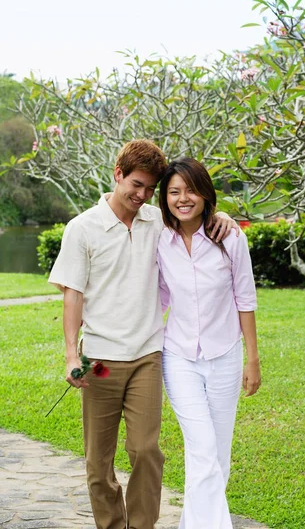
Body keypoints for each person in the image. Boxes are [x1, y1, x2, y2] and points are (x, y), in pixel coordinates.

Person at [48, 140, 236, 529]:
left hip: (148, 356)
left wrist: (226, 218)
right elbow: (73, 295)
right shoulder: (82, 228)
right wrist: (71, 355)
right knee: (98, 463)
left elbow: (196, 218)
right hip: (98, 360)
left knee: (146, 450)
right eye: (136, 184)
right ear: (117, 174)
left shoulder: (157, 221)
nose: (142, 195)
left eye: (150, 188)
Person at [157, 157, 262, 529]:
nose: (183, 199)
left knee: (218, 454)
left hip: (225, 355)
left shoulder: (229, 236)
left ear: (204, 193)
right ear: (164, 197)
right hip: (179, 357)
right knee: (201, 447)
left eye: (190, 190)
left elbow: (244, 299)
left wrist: (253, 359)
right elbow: (160, 297)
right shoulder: (159, 238)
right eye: (174, 192)